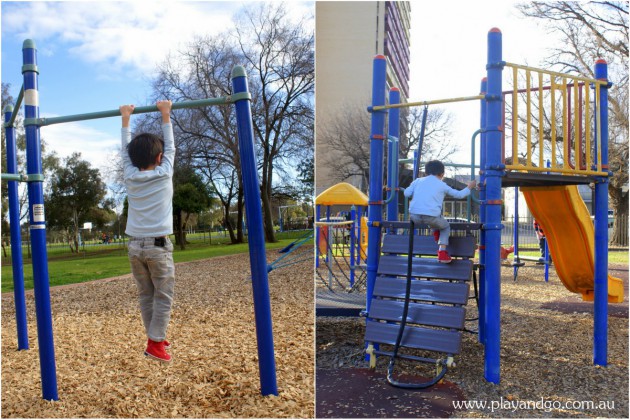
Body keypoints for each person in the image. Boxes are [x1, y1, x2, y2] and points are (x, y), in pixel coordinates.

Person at [120, 100, 176, 363]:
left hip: (134, 247)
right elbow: (171, 147)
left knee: (146, 294)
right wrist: (165, 113)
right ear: (159, 157)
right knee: (163, 295)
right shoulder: (165, 173)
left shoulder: (130, 176)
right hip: (158, 246)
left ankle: (155, 336)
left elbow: (124, 152)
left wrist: (125, 119)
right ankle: (155, 343)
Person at [403, 160, 476, 264]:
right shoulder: (442, 185)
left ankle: (436, 231)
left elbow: (406, 193)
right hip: (431, 216)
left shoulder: (417, 181)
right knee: (445, 226)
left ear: (426, 172)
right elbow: (459, 195)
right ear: (442, 174)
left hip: (414, 216)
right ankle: (442, 252)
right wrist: (469, 187)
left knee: (434, 221)